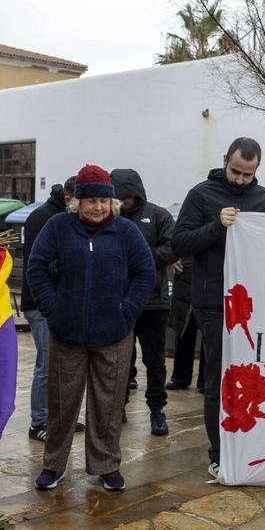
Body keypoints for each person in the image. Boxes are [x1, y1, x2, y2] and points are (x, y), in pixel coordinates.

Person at [27, 165, 155, 492]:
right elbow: (36, 267)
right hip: (66, 334)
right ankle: (53, 465)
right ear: (77, 203)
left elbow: (145, 272)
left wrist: (127, 311)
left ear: (113, 201)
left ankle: (106, 465)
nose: (98, 207)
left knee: (108, 406)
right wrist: (53, 309)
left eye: (104, 200)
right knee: (61, 404)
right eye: (91, 201)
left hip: (114, 335)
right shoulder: (58, 227)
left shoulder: (126, 232)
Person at [171, 138, 265, 477]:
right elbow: (180, 242)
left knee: (252, 376)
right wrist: (216, 226)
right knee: (217, 378)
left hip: (252, 301)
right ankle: (218, 453)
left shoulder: (262, 198)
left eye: (248, 174)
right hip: (213, 301)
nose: (241, 180)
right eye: (235, 172)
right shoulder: (201, 194)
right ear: (225, 160)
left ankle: (249, 445)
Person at [112, 168, 176, 436]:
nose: (121, 203)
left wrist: (140, 255)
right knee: (120, 361)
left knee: (155, 361)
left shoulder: (159, 216)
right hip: (120, 302)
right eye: (118, 198)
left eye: (125, 198)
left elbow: (172, 248)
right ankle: (118, 406)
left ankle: (157, 410)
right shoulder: (110, 218)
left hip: (154, 302)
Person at [21, 177, 84, 442]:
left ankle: (60, 419)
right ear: (69, 199)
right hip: (41, 304)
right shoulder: (42, 217)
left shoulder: (68, 217)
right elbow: (39, 266)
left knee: (63, 365)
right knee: (46, 364)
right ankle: (39, 421)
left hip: (63, 302)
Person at [165, 258, 206, 392]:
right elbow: (169, 245)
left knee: (209, 335)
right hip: (186, 275)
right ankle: (180, 377)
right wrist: (172, 257)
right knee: (184, 330)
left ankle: (206, 381)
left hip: (211, 276)